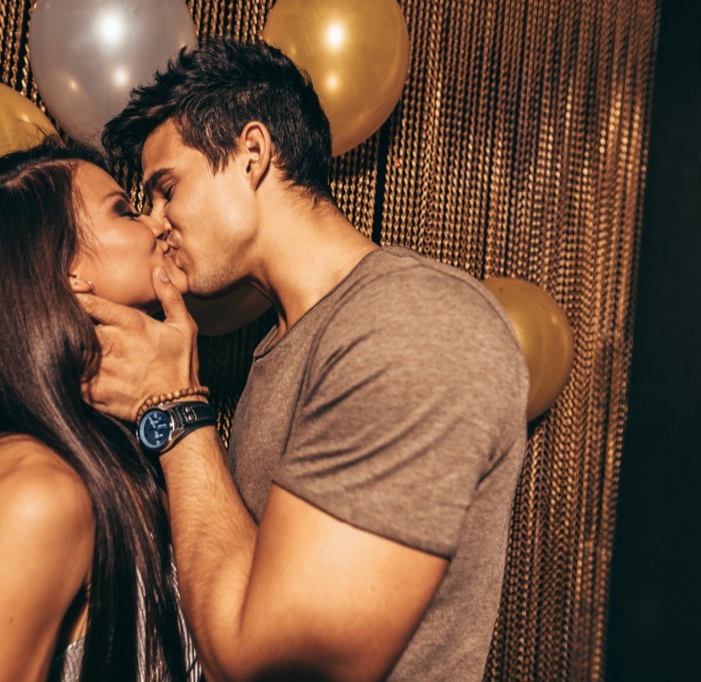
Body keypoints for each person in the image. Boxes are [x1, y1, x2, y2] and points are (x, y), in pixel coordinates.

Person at [80, 38, 530, 681]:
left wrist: (176, 413)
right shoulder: (282, 343)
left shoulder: (410, 323)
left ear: (252, 154)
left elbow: (273, 666)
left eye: (166, 189)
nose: (155, 223)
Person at [0, 138, 198, 682]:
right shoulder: (36, 491)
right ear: (68, 271)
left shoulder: (116, 452)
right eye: (125, 209)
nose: (158, 225)